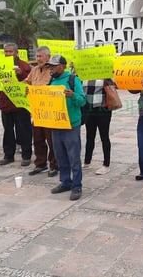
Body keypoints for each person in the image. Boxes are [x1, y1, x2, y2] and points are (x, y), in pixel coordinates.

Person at [46, 55, 86, 201]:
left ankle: (76, 186)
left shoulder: (73, 80)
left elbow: (82, 101)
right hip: (56, 124)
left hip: (71, 124)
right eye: (50, 66)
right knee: (60, 155)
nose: (51, 69)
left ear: (62, 66)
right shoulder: (51, 81)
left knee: (73, 156)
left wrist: (73, 95)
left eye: (54, 66)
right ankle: (65, 182)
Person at [24, 46, 58, 177]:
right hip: (36, 111)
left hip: (50, 111)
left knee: (52, 140)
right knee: (38, 139)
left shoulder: (53, 71)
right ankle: (40, 164)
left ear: (48, 57)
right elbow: (27, 82)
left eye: (41, 56)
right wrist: (14, 84)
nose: (38, 59)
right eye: (37, 56)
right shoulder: (35, 70)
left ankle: (54, 165)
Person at [0, 43, 32, 166]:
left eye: (10, 52)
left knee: (24, 130)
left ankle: (26, 155)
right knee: (8, 131)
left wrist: (21, 73)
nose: (7, 54)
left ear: (16, 53)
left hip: (20, 104)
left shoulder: (24, 66)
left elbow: (30, 81)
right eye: (6, 52)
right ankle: (8, 155)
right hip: (5, 103)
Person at [82, 79, 112, 175]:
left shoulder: (104, 73)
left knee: (104, 136)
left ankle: (106, 164)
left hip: (103, 109)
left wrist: (107, 82)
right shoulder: (84, 74)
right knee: (89, 136)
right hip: (89, 109)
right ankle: (87, 161)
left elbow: (114, 87)